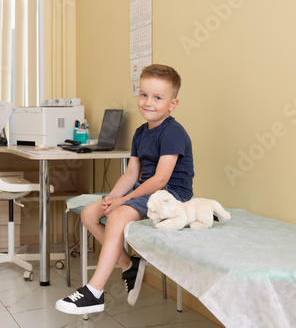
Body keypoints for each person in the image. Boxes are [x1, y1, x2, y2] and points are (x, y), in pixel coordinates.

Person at [55, 64, 194, 315]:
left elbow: (162, 179)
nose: (148, 102)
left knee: (117, 215)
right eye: (143, 95)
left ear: (172, 104)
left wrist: (124, 202)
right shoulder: (141, 133)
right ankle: (129, 265)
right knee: (90, 213)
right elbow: (132, 173)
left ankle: (95, 291)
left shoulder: (173, 132)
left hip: (170, 195)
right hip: (147, 190)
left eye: (157, 98)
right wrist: (113, 196)